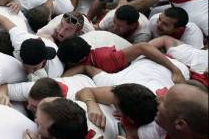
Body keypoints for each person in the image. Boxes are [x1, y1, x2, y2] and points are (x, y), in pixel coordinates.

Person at [57, 36, 186, 84]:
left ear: (81, 59)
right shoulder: (80, 55)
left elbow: (142, 47)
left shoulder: (105, 59)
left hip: (140, 66)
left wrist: (175, 70)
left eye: (69, 63)